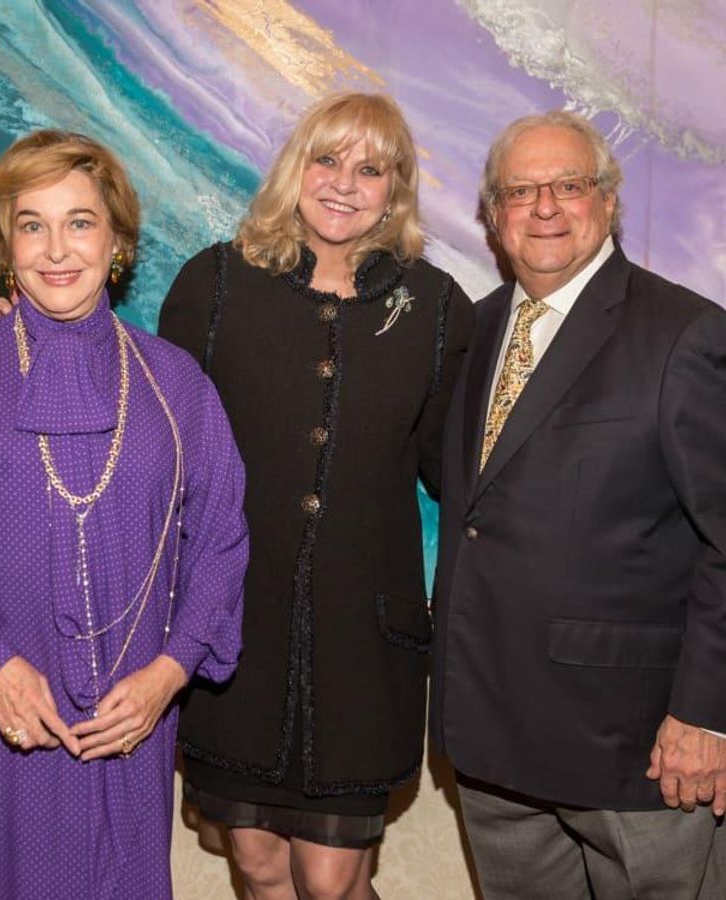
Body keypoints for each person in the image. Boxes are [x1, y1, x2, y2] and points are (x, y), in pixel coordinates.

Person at [0, 129, 248, 900]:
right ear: (3, 248)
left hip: (128, 721)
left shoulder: (175, 384)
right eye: (30, 225)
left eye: (80, 221)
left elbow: (220, 543)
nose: (55, 249)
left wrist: (169, 674)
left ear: (117, 241)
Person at [158, 93, 473, 899]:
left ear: (395, 189)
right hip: (235, 636)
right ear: (296, 168)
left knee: (331, 882)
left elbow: (462, 469)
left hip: (364, 648)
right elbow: (153, 439)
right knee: (260, 868)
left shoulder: (436, 308)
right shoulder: (215, 284)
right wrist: (15, 333)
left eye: (370, 168)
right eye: (327, 159)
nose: (344, 183)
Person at [430, 110, 726, 898]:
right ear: (494, 217)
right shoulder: (481, 327)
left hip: (637, 751)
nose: (547, 208)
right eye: (522, 192)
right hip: (494, 741)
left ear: (607, 199)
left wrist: (707, 715)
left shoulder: (684, 334)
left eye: (568, 184)